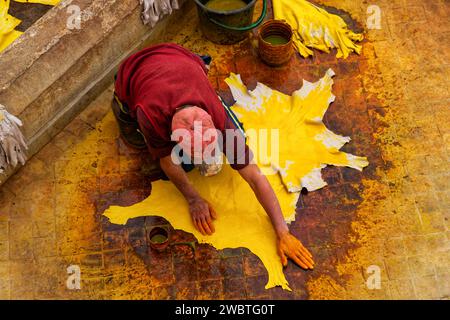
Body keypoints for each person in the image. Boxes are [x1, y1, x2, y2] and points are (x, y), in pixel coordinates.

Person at [113, 43, 314, 270]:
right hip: (131, 73)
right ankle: (121, 108)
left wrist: (282, 232)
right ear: (172, 137)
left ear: (212, 122)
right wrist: (193, 198)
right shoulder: (149, 116)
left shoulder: (218, 117)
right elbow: (167, 161)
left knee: (232, 133)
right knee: (150, 148)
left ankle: (196, 61)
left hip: (177, 56)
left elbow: (256, 177)